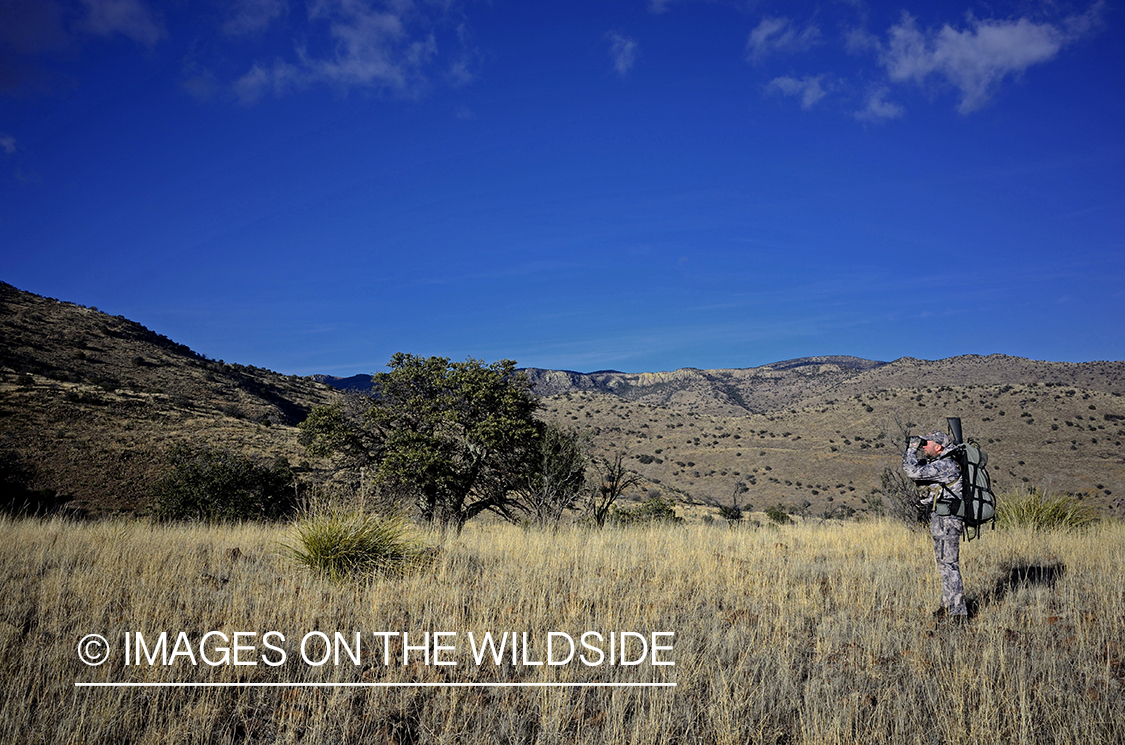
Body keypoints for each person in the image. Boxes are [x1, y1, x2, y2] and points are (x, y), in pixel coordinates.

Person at [902, 431, 968, 622]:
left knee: (950, 564)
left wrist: (912, 448)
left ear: (938, 447)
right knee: (942, 565)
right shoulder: (936, 463)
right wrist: (911, 450)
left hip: (949, 519)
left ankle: (959, 612)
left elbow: (911, 471)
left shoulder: (946, 464)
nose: (924, 445)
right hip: (939, 517)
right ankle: (947, 605)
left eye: (927, 443)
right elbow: (911, 467)